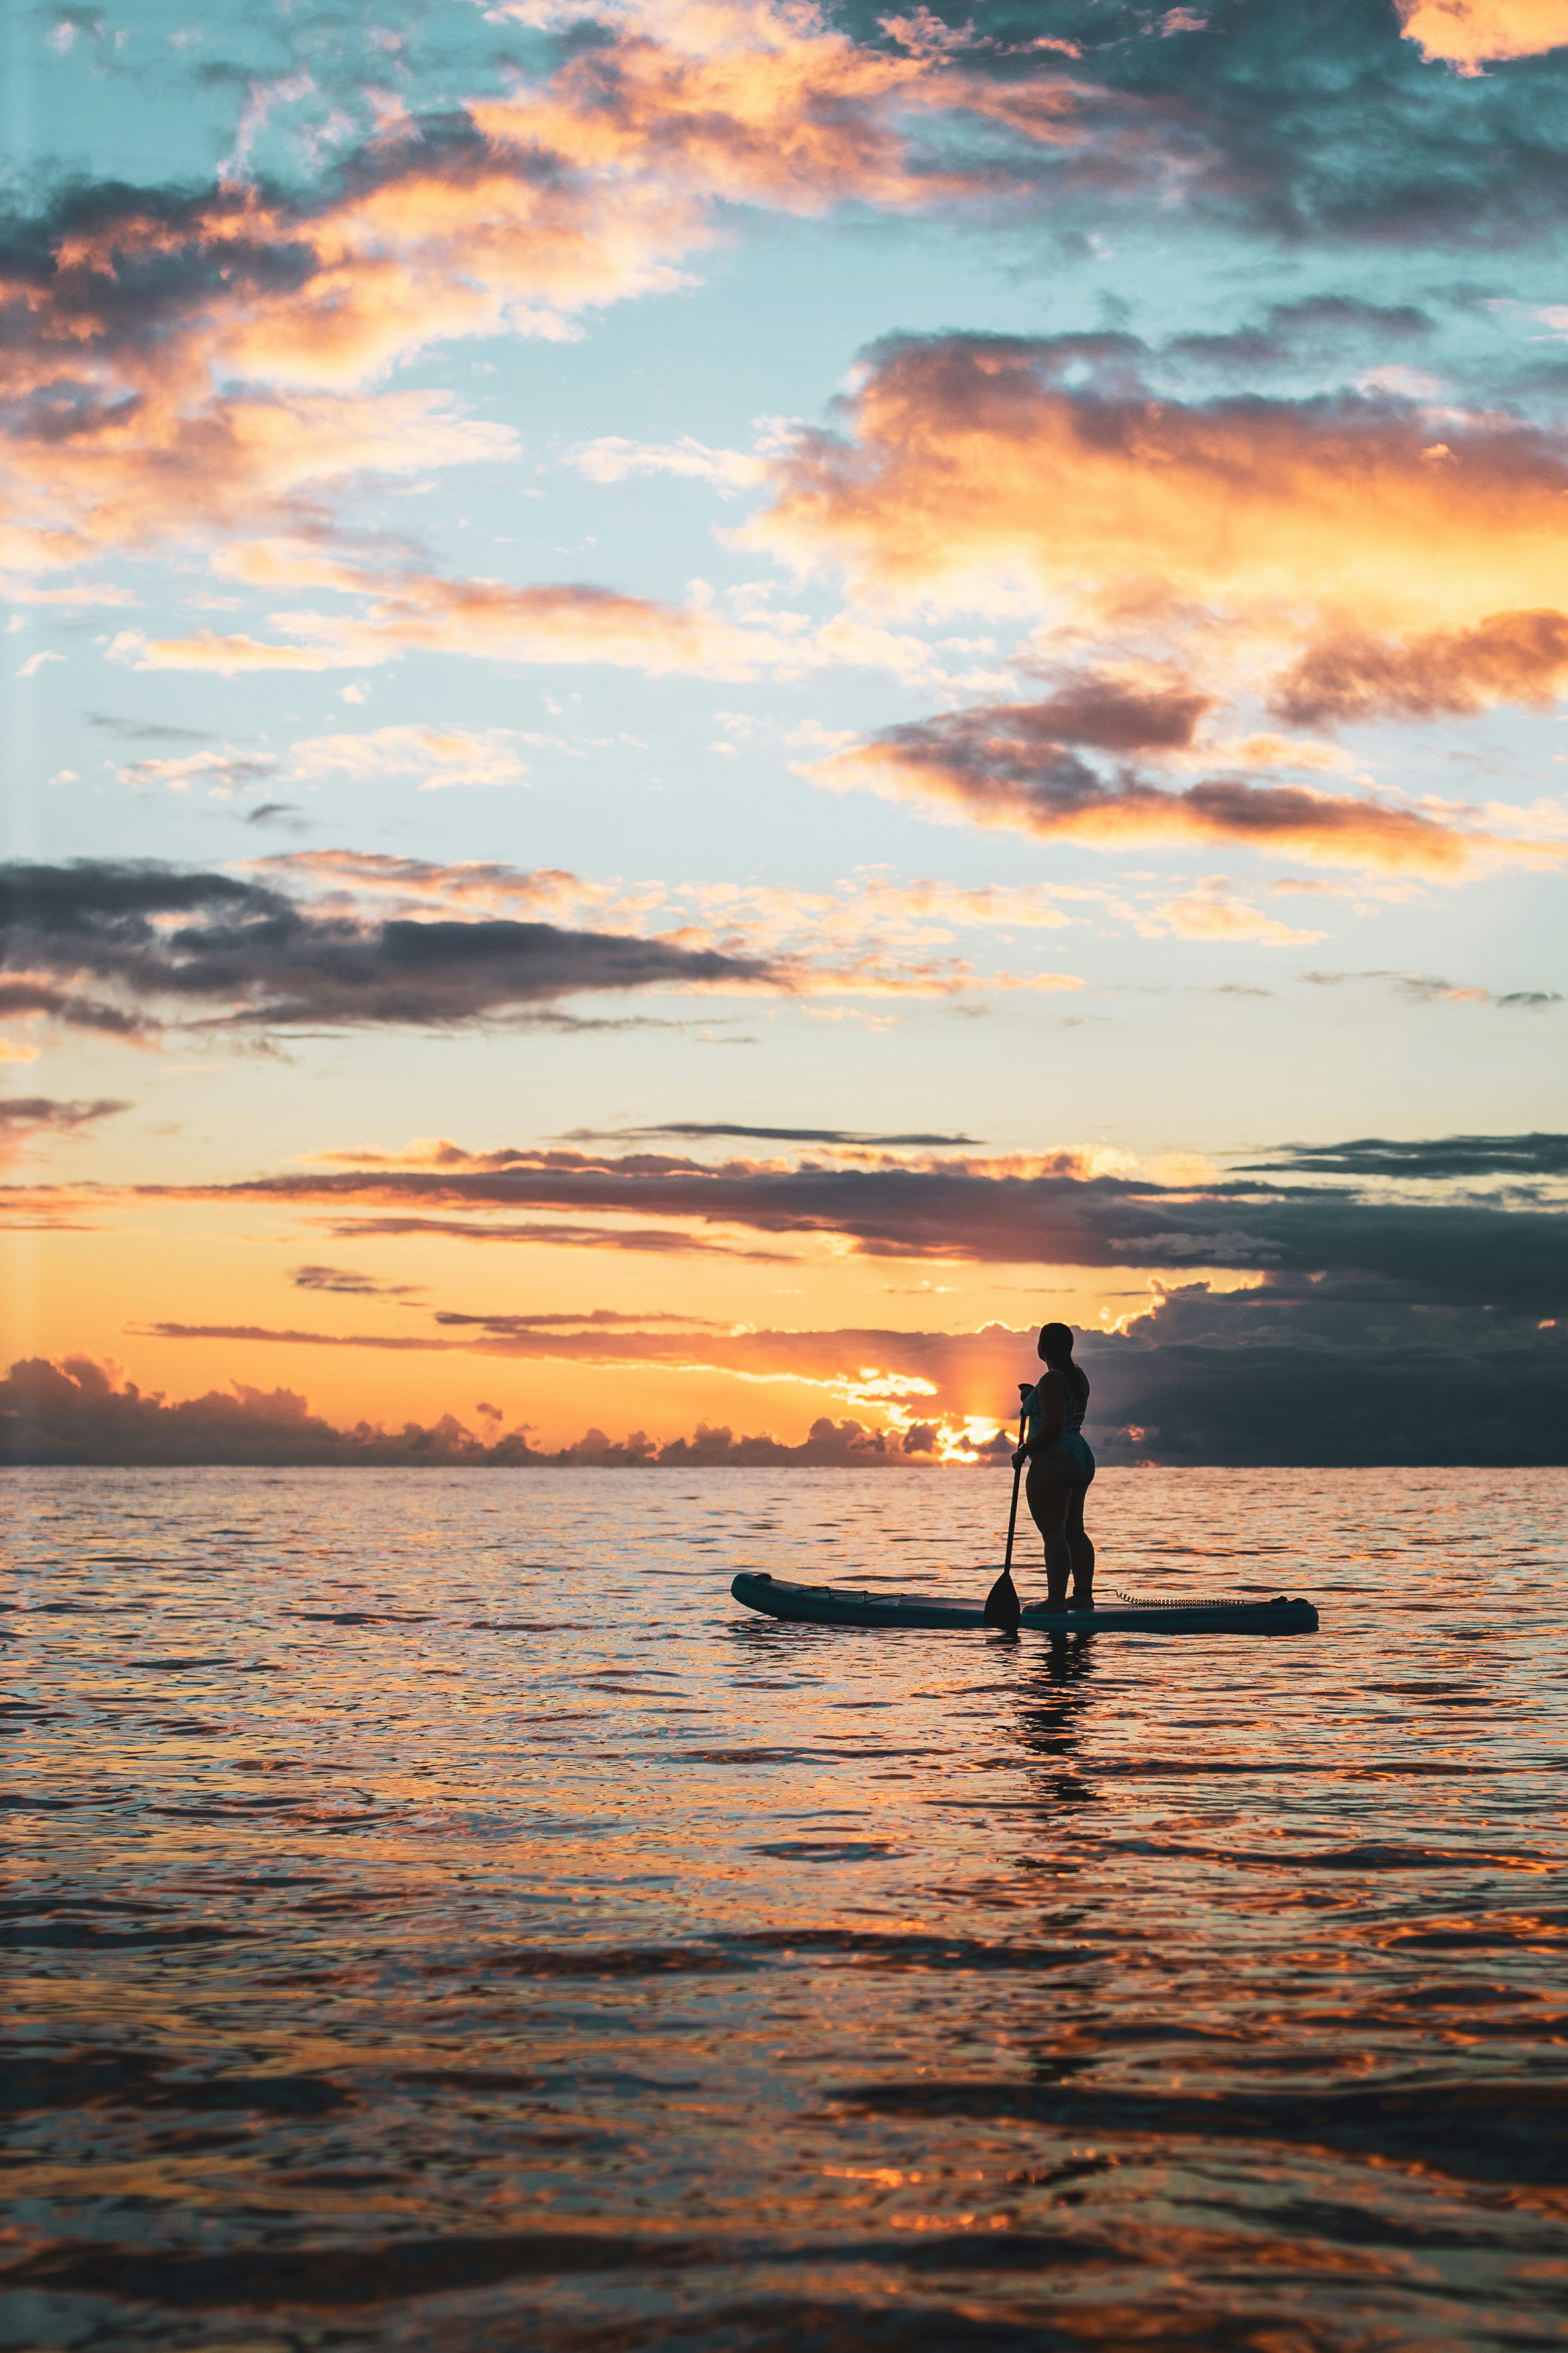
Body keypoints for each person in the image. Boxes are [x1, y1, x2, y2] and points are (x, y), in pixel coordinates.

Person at [1012, 1322, 1095, 1610]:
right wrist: (1031, 1397)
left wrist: (1024, 1451)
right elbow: (1060, 1407)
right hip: (1080, 1457)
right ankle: (1083, 1596)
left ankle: (1056, 1602)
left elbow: (1053, 1425)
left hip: (1055, 1459)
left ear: (1041, 1349)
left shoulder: (1051, 1381)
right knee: (1074, 1531)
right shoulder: (1078, 1376)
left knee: (1054, 1534)